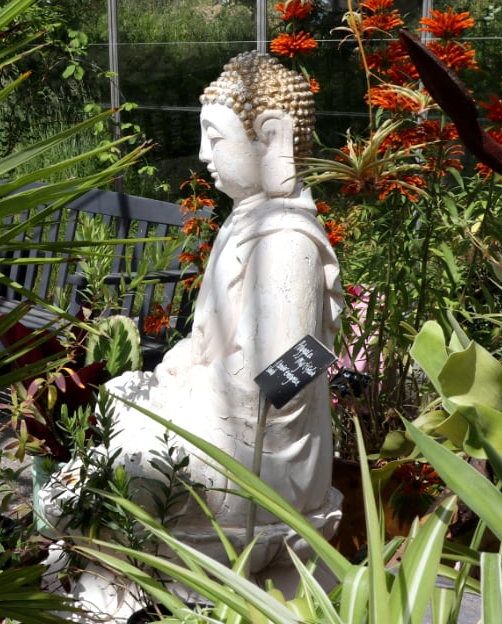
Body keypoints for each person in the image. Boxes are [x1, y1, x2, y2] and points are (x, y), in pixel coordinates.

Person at [104, 50, 343, 556]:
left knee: (125, 458)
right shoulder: (245, 221)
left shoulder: (287, 241)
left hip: (261, 454)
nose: (203, 156)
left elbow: (291, 373)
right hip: (226, 419)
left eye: (215, 139)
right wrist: (177, 367)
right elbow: (215, 341)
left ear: (272, 138)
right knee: (120, 405)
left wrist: (183, 396)